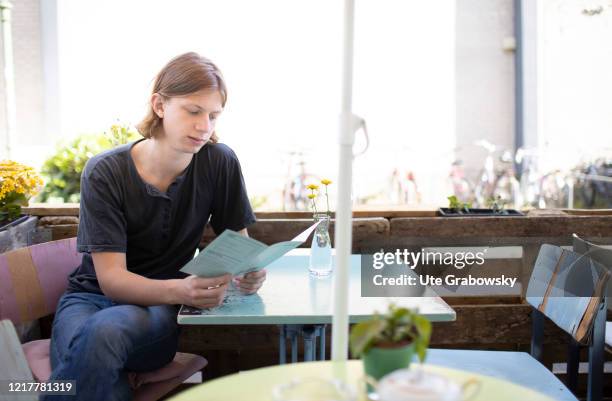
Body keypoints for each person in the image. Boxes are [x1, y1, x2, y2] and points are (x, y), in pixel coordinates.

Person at [43, 52, 266, 401]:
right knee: (98, 362)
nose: (204, 126)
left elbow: (239, 244)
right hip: (90, 299)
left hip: (155, 310)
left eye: (213, 115)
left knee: (100, 338)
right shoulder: (105, 172)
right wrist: (183, 291)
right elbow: (112, 281)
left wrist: (249, 272)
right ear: (159, 105)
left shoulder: (219, 162)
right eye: (193, 111)